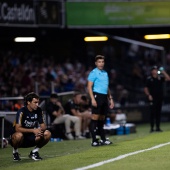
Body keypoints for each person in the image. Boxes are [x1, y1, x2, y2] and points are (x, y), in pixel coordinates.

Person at [10, 92, 51, 161]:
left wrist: (41, 129)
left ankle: (34, 152)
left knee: (47, 133)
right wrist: (33, 130)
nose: (37, 104)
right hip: (20, 139)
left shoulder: (39, 110)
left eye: (38, 102)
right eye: (35, 102)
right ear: (28, 102)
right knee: (18, 135)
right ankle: (15, 152)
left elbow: (43, 126)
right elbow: (17, 128)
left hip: (31, 136)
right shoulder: (21, 111)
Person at [87, 55, 114, 146]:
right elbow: (89, 87)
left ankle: (103, 139)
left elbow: (107, 87)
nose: (101, 63)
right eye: (99, 62)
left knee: (102, 120)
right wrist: (92, 99)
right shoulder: (93, 73)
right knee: (95, 119)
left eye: (102, 62)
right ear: (96, 63)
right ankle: (94, 140)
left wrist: (110, 98)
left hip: (104, 97)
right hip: (97, 96)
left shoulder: (105, 73)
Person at [144, 66, 170, 133]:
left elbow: (168, 78)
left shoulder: (159, 78)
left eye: (156, 70)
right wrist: (148, 95)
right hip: (152, 98)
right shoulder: (149, 79)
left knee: (158, 113)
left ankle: (158, 127)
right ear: (152, 71)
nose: (155, 71)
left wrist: (163, 72)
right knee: (152, 113)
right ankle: (152, 128)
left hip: (159, 98)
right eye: (154, 70)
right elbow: (146, 88)